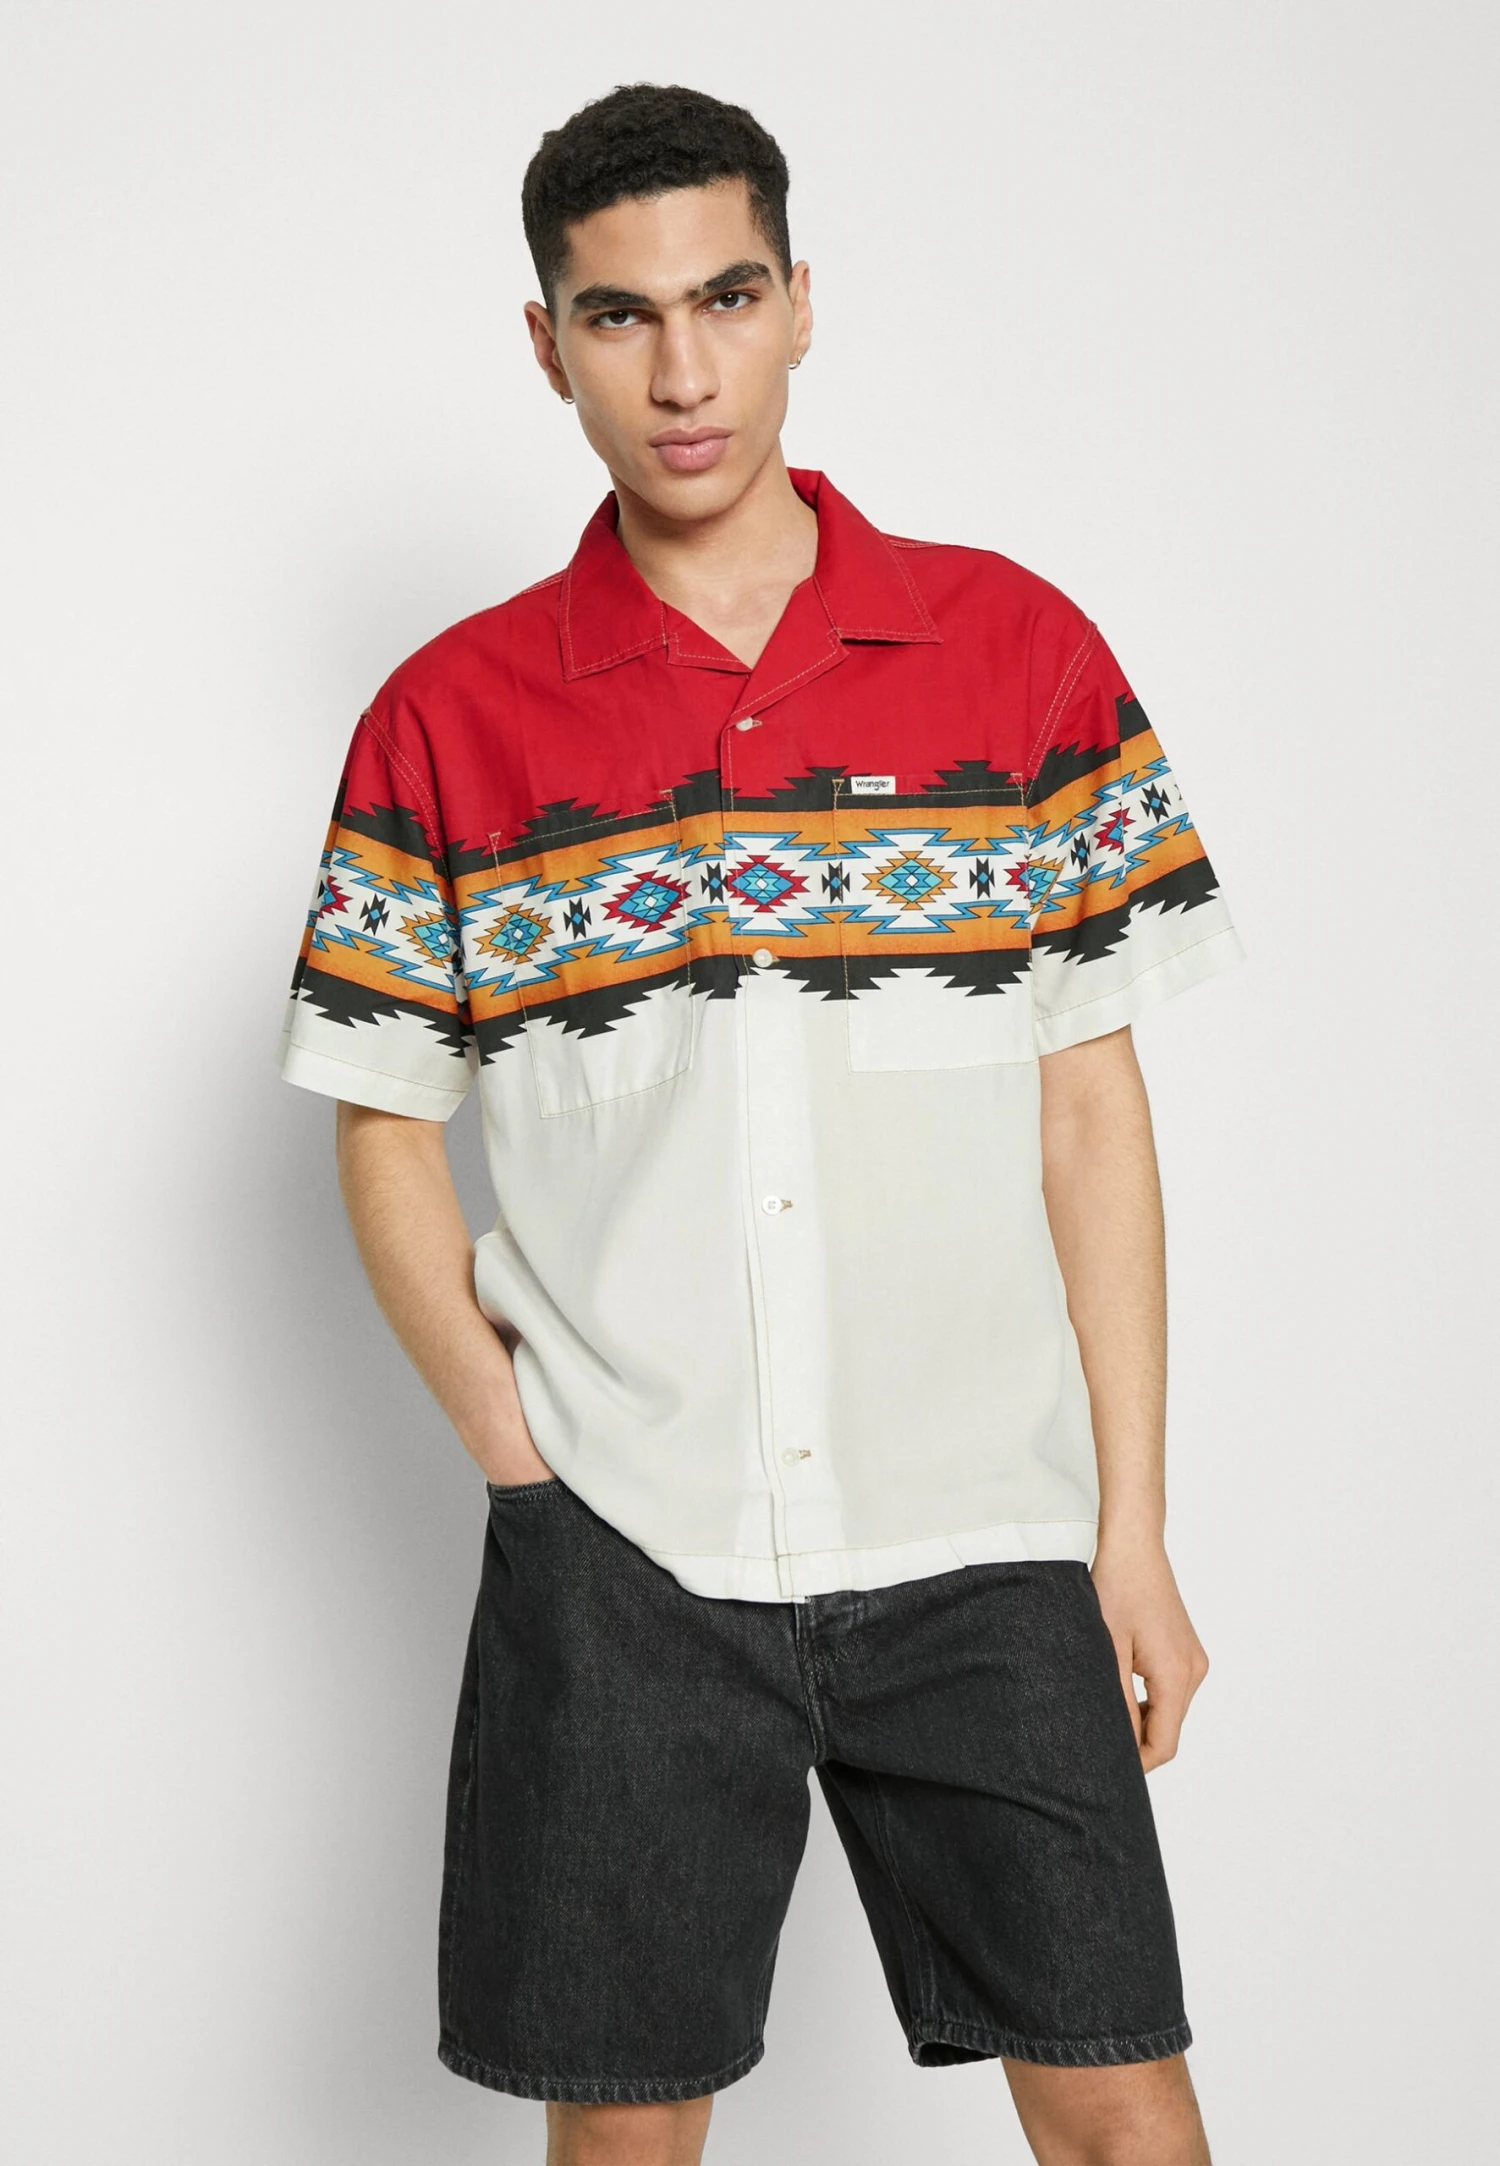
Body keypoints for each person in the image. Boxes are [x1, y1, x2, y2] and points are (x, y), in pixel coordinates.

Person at [278, 80, 1242, 2166]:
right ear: (546, 344)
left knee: (1119, 2107)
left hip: (984, 1533)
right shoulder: (446, 722)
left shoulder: (1019, 657)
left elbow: (1092, 1108)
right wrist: (518, 1451)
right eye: (618, 316)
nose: (684, 371)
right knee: (628, 2139)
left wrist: (1132, 1530)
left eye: (726, 298)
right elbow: (378, 1119)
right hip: (627, 1549)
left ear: (804, 300)